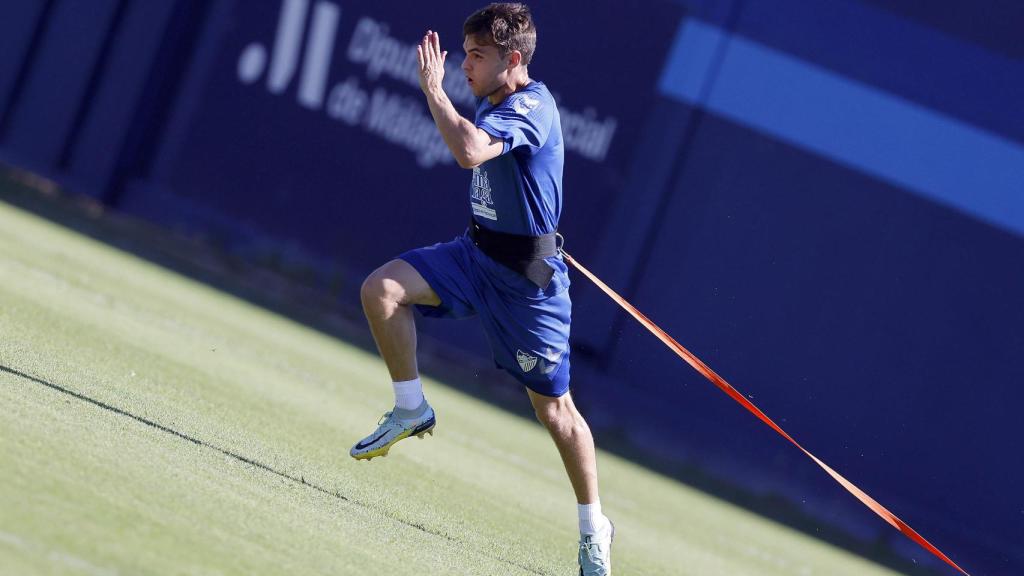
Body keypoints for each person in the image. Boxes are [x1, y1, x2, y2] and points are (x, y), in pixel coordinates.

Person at [349, 4, 613, 574]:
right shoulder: (492, 98)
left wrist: (433, 92)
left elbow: (469, 152)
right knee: (381, 291)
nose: (463, 64)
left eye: (476, 55)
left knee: (556, 413)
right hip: (473, 256)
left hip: (528, 287)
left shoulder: (532, 107)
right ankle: (409, 407)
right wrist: (445, 95)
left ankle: (595, 527)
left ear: (512, 60)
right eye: (464, 53)